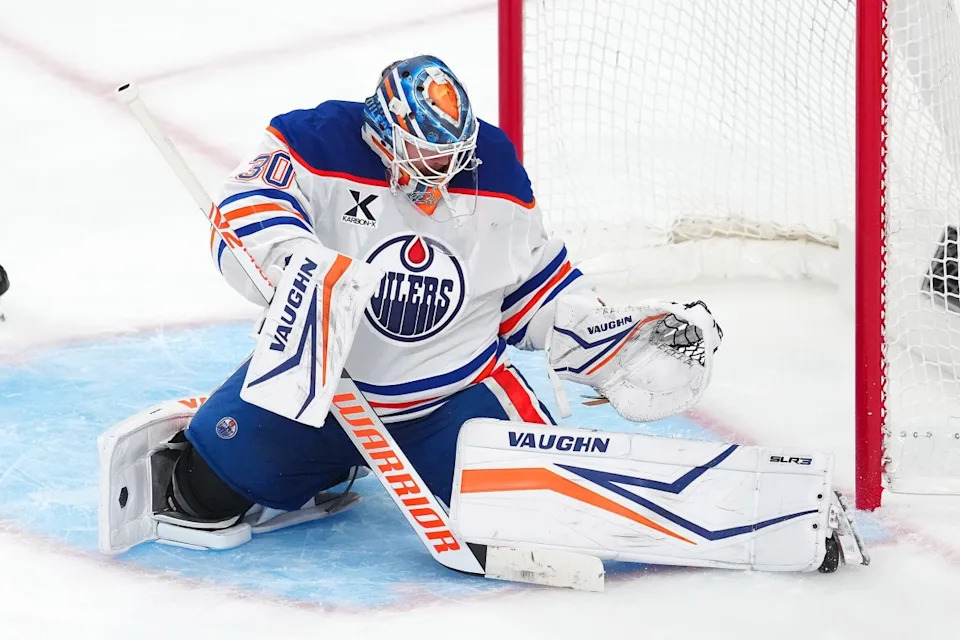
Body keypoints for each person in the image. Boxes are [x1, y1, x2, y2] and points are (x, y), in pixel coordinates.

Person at [146, 55, 722, 541]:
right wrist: (297, 261)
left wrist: (612, 337)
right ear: (384, 129)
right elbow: (248, 205)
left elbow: (529, 289)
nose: (442, 170)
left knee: (539, 522)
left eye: (452, 155)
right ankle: (325, 467)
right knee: (200, 496)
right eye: (426, 153)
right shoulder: (315, 141)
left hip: (450, 401)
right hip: (322, 393)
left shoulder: (494, 168)